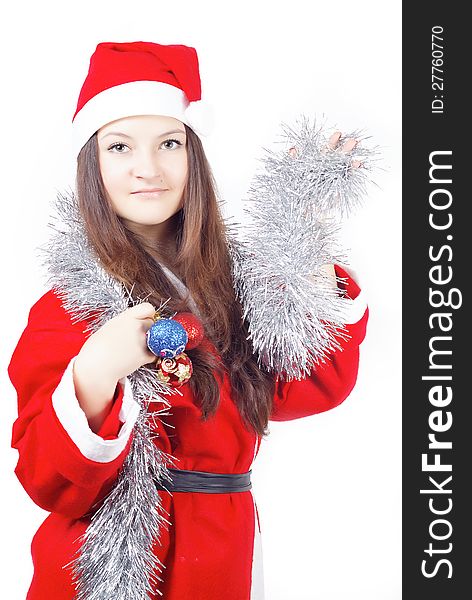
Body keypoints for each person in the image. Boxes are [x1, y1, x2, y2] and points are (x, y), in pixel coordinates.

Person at [7, 41, 369, 600]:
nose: (147, 169)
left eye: (169, 144)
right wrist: (96, 372)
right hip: (104, 571)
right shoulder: (68, 308)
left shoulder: (235, 290)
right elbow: (45, 479)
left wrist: (305, 242)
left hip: (221, 555)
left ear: (192, 157)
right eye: (120, 146)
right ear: (93, 163)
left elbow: (312, 383)